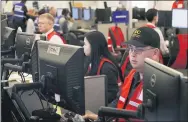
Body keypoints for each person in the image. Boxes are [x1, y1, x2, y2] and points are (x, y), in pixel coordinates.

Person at [83, 27, 161, 121]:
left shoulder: (160, 86)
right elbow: (118, 101)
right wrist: (100, 117)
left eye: (139, 49)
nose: (132, 54)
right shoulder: (132, 75)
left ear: (155, 53)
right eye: (131, 48)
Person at [83, 31, 123, 104]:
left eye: (85, 44)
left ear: (93, 46)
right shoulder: (90, 60)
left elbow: (113, 94)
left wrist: (91, 99)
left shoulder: (107, 68)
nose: (83, 47)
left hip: (105, 107)